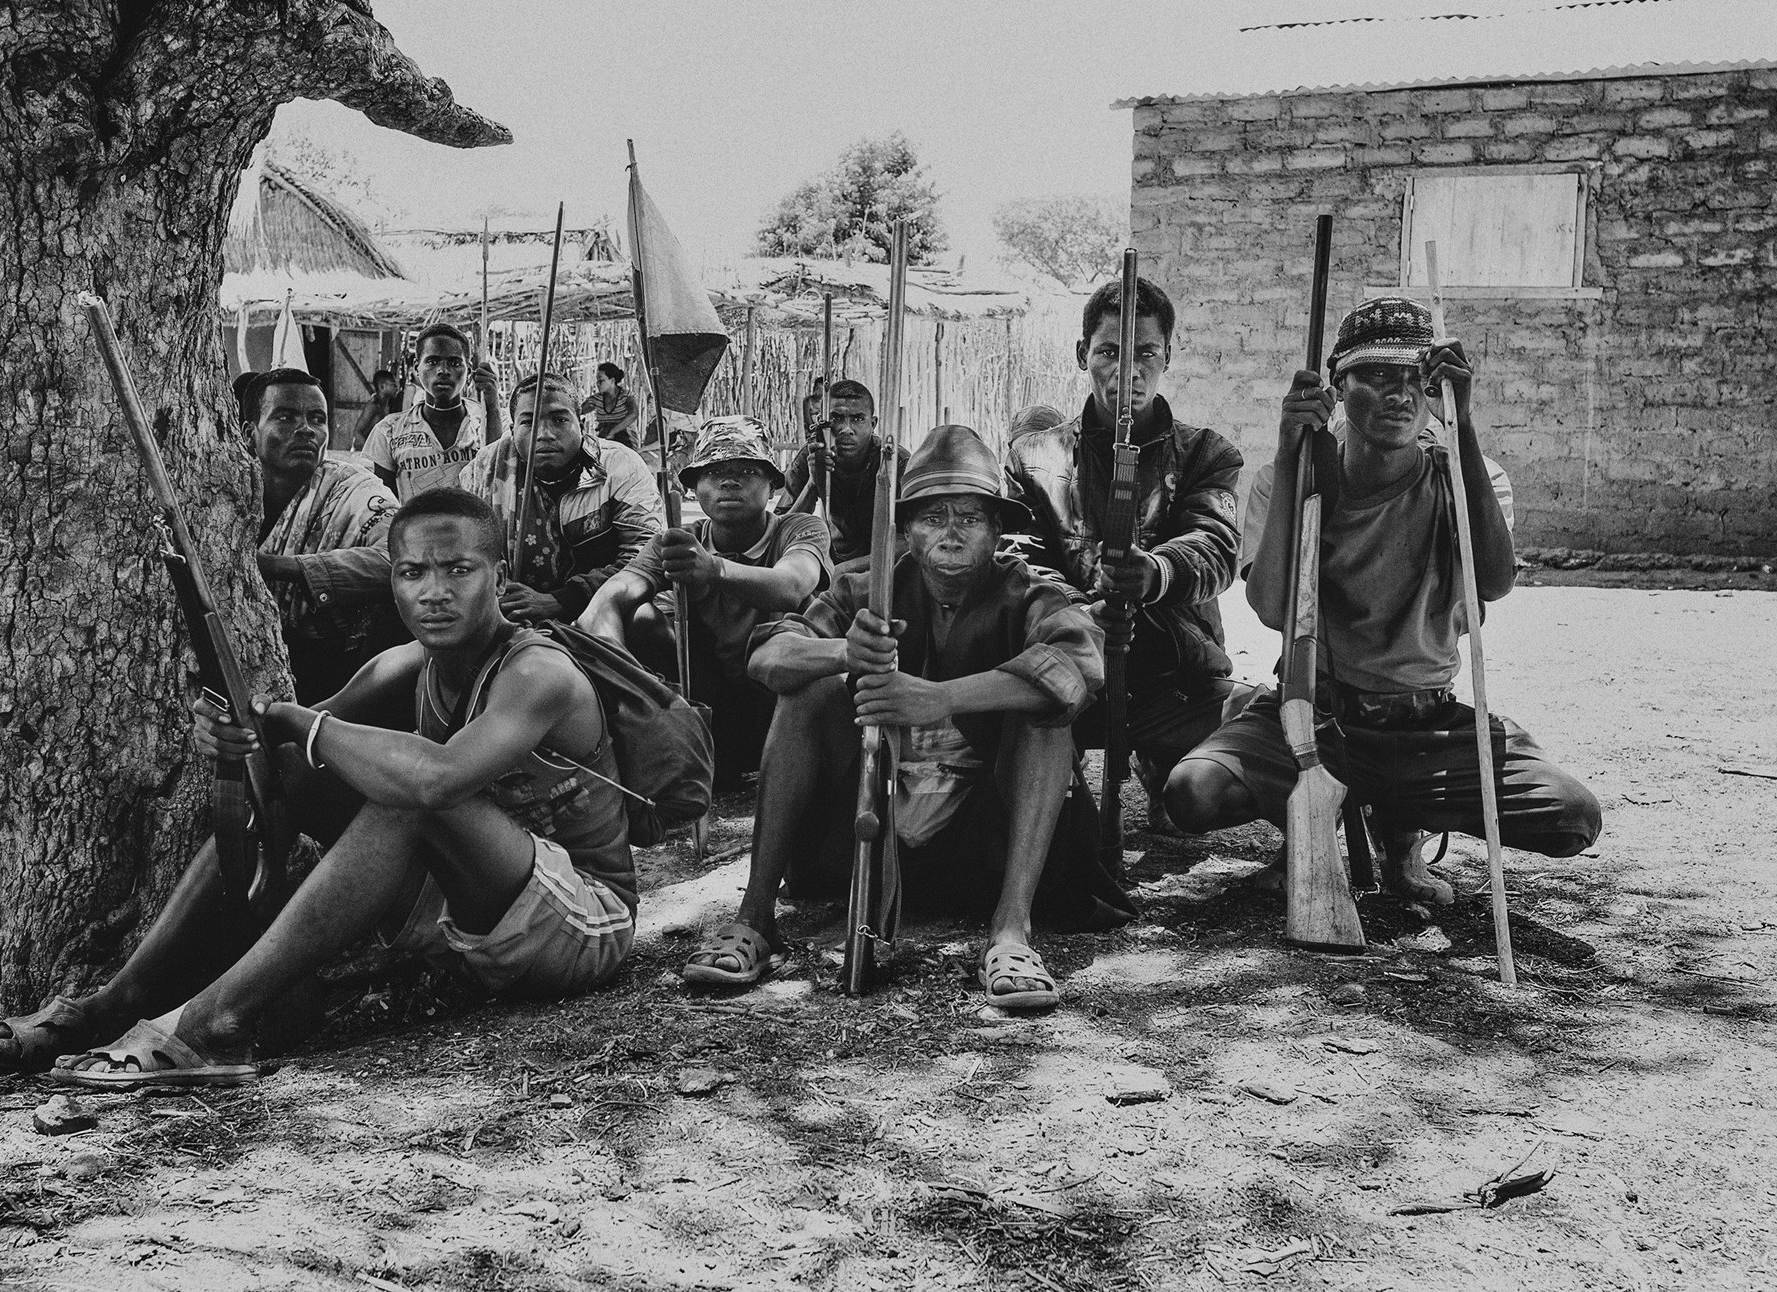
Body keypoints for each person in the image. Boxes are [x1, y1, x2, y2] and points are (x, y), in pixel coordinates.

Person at [0, 488, 636, 1085]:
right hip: (476, 923)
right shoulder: (406, 666)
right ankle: (117, 1001)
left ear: (500, 575)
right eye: (412, 572)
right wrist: (234, 740)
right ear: (393, 582)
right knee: (299, 770)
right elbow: (279, 763)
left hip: (585, 925)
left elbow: (435, 779)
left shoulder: (537, 671)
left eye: (459, 569)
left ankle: (214, 1022)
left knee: (409, 795)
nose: (435, 591)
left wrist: (291, 719)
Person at [1162, 297, 1602, 900]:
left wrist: (1464, 428)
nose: (1400, 394)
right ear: (1338, 388)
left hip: (1427, 726)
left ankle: (1401, 831)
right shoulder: (1288, 477)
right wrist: (1293, 454)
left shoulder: (1466, 475)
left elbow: (1494, 582)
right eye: (1376, 376)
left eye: (1417, 379)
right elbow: (1272, 609)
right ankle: (1305, 834)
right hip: (1313, 716)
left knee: (1571, 817)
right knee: (1194, 794)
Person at [682, 425, 1134, 1006]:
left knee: (1045, 713)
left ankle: (1011, 930)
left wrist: (940, 698)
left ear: (998, 530)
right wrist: (844, 653)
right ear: (907, 530)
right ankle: (755, 916)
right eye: (932, 517)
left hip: (984, 842)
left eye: (969, 517)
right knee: (807, 693)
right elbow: (770, 654)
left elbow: (1080, 665)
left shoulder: (1030, 596)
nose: (950, 532)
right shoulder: (864, 591)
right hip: (869, 840)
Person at [1006, 276, 1259, 823]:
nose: (1129, 371)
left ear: (1169, 354)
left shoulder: (1206, 454)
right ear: (1082, 355)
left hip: (1177, 676)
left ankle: (1163, 761)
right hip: (1074, 671)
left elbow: (1215, 545)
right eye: (1109, 353)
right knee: (1011, 722)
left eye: (1146, 352)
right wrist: (1085, 614)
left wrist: (1155, 573)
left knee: (1283, 728)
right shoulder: (1032, 458)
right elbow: (1020, 562)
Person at [578, 416, 830, 788]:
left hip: (776, 705)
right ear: (694, 486)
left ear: (773, 484)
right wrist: (623, 678)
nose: (730, 480)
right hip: (704, 707)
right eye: (714, 471)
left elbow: (791, 585)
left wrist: (712, 569)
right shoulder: (678, 542)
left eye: (746, 469)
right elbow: (606, 602)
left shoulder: (799, 529)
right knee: (643, 620)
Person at [236, 369, 408, 705]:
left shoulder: (353, 489)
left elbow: (402, 558)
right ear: (249, 433)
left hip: (335, 674)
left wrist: (278, 567)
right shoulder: (223, 493)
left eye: (317, 418)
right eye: (284, 417)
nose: (305, 429)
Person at [457, 373, 662, 625]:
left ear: (582, 426)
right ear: (512, 430)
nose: (544, 434)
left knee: (647, 622)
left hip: (602, 611)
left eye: (559, 419)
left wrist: (561, 600)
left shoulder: (620, 466)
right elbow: (460, 550)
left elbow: (646, 556)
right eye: (529, 422)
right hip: (512, 616)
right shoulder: (486, 470)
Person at [780, 379, 910, 575]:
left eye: (857, 419)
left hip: (885, 568)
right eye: (836, 418)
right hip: (831, 558)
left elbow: (911, 541)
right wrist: (813, 484)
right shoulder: (812, 456)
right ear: (821, 424)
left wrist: (845, 570)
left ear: (872, 423)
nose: (846, 429)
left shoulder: (894, 462)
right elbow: (783, 533)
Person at [362, 324, 502, 498]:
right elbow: (384, 506)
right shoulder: (389, 431)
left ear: (469, 369)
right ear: (416, 367)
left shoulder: (487, 422)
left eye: (455, 363)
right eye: (432, 361)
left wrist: (493, 405)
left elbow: (498, 478)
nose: (443, 371)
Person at [578, 361, 641, 449]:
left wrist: (613, 432)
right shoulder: (596, 400)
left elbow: (633, 414)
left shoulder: (625, 396)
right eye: (597, 380)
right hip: (606, 439)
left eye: (602, 380)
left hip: (626, 440)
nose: (598, 384)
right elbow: (578, 412)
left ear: (612, 380)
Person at [351, 367, 404, 451]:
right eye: (393, 384)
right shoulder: (373, 405)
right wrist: (368, 452)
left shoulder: (391, 404)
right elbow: (357, 433)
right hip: (364, 450)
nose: (397, 387)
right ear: (382, 387)